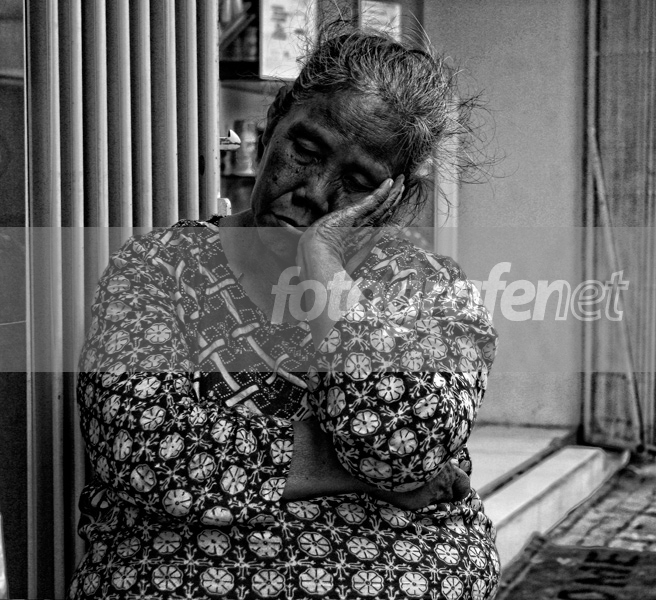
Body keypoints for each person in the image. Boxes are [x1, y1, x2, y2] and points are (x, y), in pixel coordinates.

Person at [68, 26, 500, 599]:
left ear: (395, 198)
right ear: (272, 124)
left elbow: (403, 447)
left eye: (357, 182)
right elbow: (143, 451)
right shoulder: (159, 267)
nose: (315, 193)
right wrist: (355, 472)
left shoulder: (429, 291)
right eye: (307, 151)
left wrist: (323, 268)